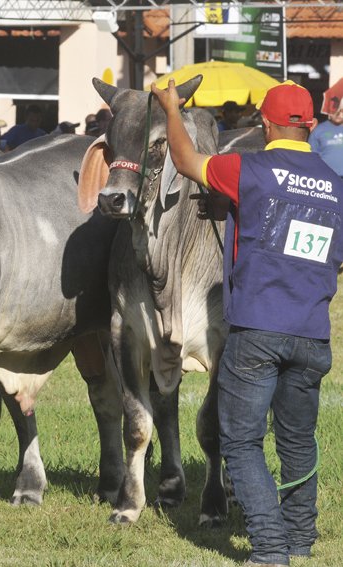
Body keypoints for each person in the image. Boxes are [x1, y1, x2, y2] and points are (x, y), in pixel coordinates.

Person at [151, 79, 342, 567]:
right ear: (310, 125)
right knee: (297, 440)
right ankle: (300, 538)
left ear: (266, 125)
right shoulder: (336, 186)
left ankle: (270, 547)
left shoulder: (248, 168)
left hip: (257, 330)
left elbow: (186, 160)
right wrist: (239, 211)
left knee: (240, 440)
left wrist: (171, 108)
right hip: (312, 334)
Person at [309, 104, 343, 176]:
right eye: (335, 110)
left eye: (341, 111)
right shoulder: (318, 130)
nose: (338, 114)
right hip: (326, 176)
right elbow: (312, 156)